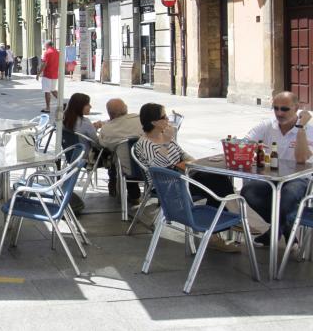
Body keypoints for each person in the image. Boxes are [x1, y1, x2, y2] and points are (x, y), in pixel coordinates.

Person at [134, 103, 240, 252]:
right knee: (217, 183)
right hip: (167, 185)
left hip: (183, 177)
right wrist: (168, 143)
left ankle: (222, 225)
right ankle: (226, 223)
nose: (168, 120)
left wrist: (195, 163)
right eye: (164, 117)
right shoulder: (145, 144)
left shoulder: (164, 136)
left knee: (217, 179)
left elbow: (182, 155)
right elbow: (161, 169)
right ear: (154, 122)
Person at [242, 91, 313, 245]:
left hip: (298, 178)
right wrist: (253, 147)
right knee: (248, 191)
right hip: (271, 176)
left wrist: (300, 127)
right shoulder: (268, 125)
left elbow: (301, 159)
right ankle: (284, 227)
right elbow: (244, 142)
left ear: (296, 108)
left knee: (286, 197)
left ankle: (274, 231)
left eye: (285, 109)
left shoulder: (308, 130)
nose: (279, 113)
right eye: (276, 108)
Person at [97, 99, 143, 202]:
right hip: (150, 167)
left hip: (128, 170)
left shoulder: (107, 129)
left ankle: (125, 192)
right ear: (126, 109)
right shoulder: (141, 120)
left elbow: (104, 145)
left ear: (109, 113)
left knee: (118, 157)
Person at [35, 41, 60, 113]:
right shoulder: (57, 52)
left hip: (48, 74)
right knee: (53, 90)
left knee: (47, 91)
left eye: (44, 45)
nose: (44, 46)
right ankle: (61, 102)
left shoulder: (47, 52)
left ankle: (48, 108)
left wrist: (38, 73)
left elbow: (44, 64)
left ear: (47, 45)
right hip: (55, 74)